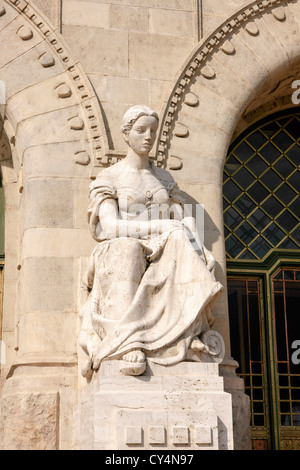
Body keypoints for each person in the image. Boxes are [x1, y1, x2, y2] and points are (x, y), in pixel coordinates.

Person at [79, 105, 223, 377]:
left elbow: (181, 219)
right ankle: (127, 341)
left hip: (165, 242)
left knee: (186, 244)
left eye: (153, 131)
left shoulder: (164, 178)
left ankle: (180, 332)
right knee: (129, 250)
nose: (148, 136)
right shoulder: (109, 177)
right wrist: (161, 225)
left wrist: (195, 241)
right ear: (126, 134)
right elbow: (110, 227)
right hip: (123, 242)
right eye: (140, 130)